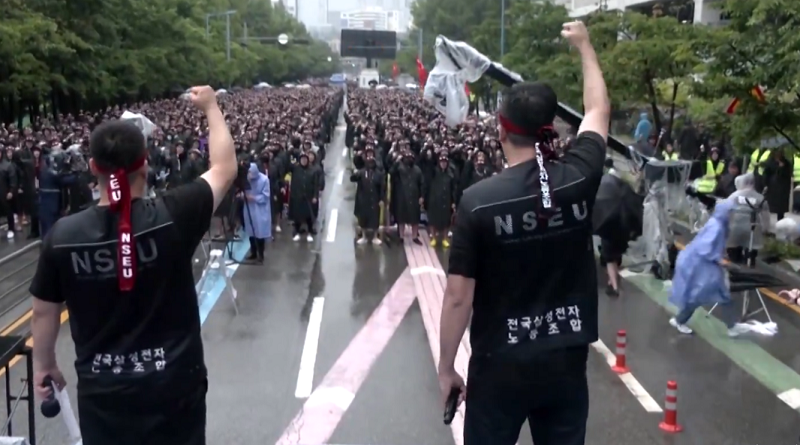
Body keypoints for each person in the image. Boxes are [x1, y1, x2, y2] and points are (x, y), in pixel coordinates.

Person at [29, 85, 237, 445]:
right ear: (145, 163)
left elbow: (43, 311)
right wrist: (211, 107)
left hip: (103, 395)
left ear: (93, 168)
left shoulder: (63, 236)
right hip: (174, 387)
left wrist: (44, 365)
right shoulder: (175, 214)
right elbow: (225, 168)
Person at [437, 21, 610, 445]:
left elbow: (458, 297)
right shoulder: (579, 176)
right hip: (565, 359)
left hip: (499, 363)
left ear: (500, 129)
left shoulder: (478, 202)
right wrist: (585, 46)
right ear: (548, 126)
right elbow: (597, 110)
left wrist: (446, 367)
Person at [668, 199, 750, 337]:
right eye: (731, 212)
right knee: (698, 296)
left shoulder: (718, 224)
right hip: (702, 266)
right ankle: (679, 320)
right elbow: (705, 249)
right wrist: (723, 262)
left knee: (722, 294)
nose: (733, 215)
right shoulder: (717, 227)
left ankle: (732, 326)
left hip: (704, 265)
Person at [726, 173, 770, 266]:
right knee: (751, 247)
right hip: (753, 225)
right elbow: (765, 215)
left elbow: (726, 210)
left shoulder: (734, 196)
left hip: (735, 225)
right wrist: (765, 228)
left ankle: (735, 264)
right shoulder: (760, 198)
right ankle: (750, 261)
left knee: (733, 248)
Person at [242, 162, 272, 264]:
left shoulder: (264, 179)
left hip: (260, 209)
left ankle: (261, 255)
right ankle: (253, 252)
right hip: (249, 208)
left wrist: (253, 198)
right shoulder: (246, 180)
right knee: (251, 231)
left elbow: (266, 196)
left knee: (260, 233)